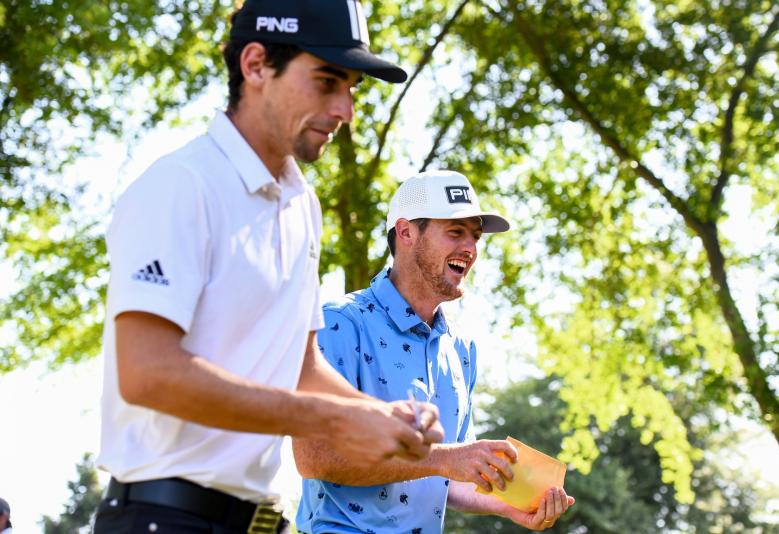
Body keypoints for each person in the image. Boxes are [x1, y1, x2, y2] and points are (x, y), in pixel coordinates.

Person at [93, 1, 443, 532]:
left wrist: (377, 414)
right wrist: (332, 420)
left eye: (351, 87)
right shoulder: (180, 185)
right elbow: (147, 374)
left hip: (263, 522)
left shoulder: (302, 204)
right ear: (256, 65)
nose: (346, 109)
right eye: (327, 81)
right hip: (163, 517)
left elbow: (299, 365)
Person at [294, 170, 575, 533]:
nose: (470, 249)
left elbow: (449, 477)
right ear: (407, 232)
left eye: (475, 236)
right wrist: (444, 460)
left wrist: (512, 507)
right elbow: (315, 457)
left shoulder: (462, 349)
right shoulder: (340, 324)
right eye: (455, 232)